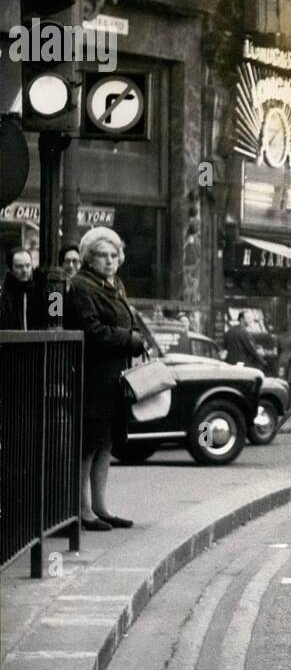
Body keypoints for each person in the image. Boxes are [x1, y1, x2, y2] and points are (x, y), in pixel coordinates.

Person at [64, 227, 145, 532]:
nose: (109, 260)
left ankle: (101, 507)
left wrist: (132, 341)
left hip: (115, 376)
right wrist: (129, 339)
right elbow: (91, 329)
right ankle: (83, 510)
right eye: (102, 255)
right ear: (89, 258)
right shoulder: (82, 286)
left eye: (114, 255)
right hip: (94, 375)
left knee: (106, 442)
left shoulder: (113, 284)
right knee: (90, 442)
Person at [0, 248, 46, 329]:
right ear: (11, 269)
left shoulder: (39, 290)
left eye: (28, 266)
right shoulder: (3, 293)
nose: (24, 270)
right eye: (19, 267)